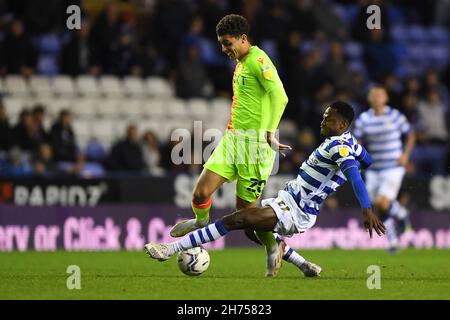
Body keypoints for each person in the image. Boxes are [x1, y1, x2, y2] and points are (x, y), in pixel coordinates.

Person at [146, 102, 386, 277]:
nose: (322, 121)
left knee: (236, 219)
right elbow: (367, 162)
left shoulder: (339, 148)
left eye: (328, 119)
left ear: (342, 124)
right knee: (252, 231)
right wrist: (338, 176)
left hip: (297, 210)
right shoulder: (349, 143)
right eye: (323, 117)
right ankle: (305, 265)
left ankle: (171, 249)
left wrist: (366, 209)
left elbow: (355, 176)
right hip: (288, 200)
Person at [169, 14, 291, 275]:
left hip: (255, 149)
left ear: (243, 39)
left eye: (227, 43)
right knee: (201, 193)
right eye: (221, 44)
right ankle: (200, 221)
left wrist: (269, 131)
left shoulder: (259, 61)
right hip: (232, 141)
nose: (224, 49)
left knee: (246, 217)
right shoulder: (241, 62)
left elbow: (280, 96)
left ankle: (273, 246)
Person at [353, 86, 415, 253]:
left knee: (381, 202)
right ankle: (401, 214)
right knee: (379, 205)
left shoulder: (394, 115)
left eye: (379, 95)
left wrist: (406, 155)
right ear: (369, 98)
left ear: (386, 98)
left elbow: (410, 135)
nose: (376, 97)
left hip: (393, 167)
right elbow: (357, 141)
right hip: (374, 169)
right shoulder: (364, 119)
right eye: (373, 95)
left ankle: (393, 240)